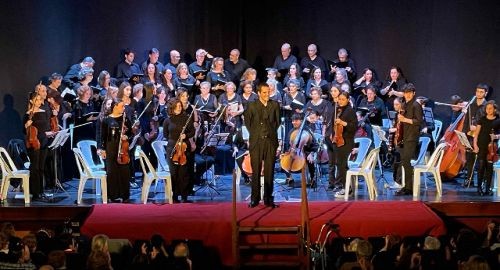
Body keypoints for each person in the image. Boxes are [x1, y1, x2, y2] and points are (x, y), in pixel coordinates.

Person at [244, 83, 281, 208]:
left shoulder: (274, 105)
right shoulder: (251, 105)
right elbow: (248, 123)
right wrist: (256, 133)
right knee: (256, 171)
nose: (267, 94)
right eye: (264, 92)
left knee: (270, 171)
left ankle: (268, 199)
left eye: (268, 92)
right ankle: (255, 198)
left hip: (270, 141)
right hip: (256, 141)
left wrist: (269, 133)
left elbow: (277, 122)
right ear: (259, 93)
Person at [97, 100, 132, 202]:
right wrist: (101, 149)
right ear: (115, 107)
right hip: (110, 148)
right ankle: (112, 196)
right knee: (112, 173)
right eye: (121, 106)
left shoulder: (125, 119)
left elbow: (130, 133)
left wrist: (127, 136)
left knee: (124, 172)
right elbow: (101, 136)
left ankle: (125, 195)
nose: (123, 108)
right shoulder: (107, 120)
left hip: (123, 149)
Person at [24, 90, 55, 200]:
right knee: (35, 168)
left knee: (41, 168)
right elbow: (25, 132)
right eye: (36, 100)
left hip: (44, 141)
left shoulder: (43, 111)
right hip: (34, 142)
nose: (39, 101)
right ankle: (35, 193)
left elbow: (46, 127)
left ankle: (41, 191)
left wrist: (49, 132)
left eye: (39, 100)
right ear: (32, 101)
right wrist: (26, 126)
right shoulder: (29, 114)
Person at [163, 98, 195, 203]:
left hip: (184, 147)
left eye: (180, 106)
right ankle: (175, 195)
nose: (179, 108)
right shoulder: (167, 120)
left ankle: (184, 196)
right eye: (177, 106)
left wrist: (186, 135)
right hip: (172, 147)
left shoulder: (186, 118)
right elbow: (166, 135)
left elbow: (192, 132)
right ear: (172, 108)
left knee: (184, 172)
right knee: (174, 172)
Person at [395, 83, 423, 196]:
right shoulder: (405, 104)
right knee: (404, 162)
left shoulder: (416, 105)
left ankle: (408, 188)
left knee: (406, 162)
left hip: (411, 137)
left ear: (413, 93)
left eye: (409, 93)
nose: (407, 95)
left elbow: (418, 122)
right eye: (405, 93)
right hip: (404, 136)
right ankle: (406, 186)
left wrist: (404, 119)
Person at [331, 92, 358, 197]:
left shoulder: (350, 111)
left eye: (343, 99)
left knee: (344, 166)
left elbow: (354, 126)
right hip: (338, 141)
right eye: (339, 99)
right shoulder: (338, 110)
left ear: (347, 100)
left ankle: (348, 189)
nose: (341, 101)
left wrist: (342, 123)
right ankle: (344, 187)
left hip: (347, 141)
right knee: (340, 166)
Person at [283, 113, 319, 188]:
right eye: (293, 121)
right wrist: (286, 151)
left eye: (296, 120)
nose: (293, 122)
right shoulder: (291, 131)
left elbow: (315, 144)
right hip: (293, 151)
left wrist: (311, 153)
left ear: (301, 121)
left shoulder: (307, 130)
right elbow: (288, 143)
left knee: (309, 160)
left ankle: (312, 179)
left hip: (306, 151)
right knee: (283, 159)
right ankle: (289, 178)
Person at [472, 101, 498, 196]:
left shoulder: (498, 120)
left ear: (494, 109)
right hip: (482, 145)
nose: (489, 110)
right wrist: (475, 145)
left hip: (492, 148)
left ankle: (488, 188)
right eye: (487, 108)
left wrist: (496, 137)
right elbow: (476, 134)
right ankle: (479, 188)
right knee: (481, 167)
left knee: (490, 168)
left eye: (491, 108)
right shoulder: (482, 119)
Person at [464, 83, 488, 185]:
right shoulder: (471, 106)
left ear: (485, 93)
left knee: (480, 161)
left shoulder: (488, 107)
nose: (479, 93)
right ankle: (469, 179)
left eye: (481, 92)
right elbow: (466, 121)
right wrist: (466, 132)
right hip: (470, 135)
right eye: (477, 91)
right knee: (469, 157)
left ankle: (481, 181)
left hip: (481, 137)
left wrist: (477, 127)